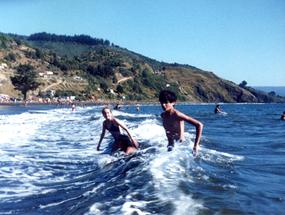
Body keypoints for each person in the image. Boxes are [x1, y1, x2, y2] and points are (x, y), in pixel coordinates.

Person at [159, 90, 203, 154]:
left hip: (180, 147)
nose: (163, 105)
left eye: (166, 102)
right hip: (170, 146)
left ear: (173, 102)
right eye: (161, 102)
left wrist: (195, 146)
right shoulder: (163, 115)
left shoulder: (177, 115)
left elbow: (199, 125)